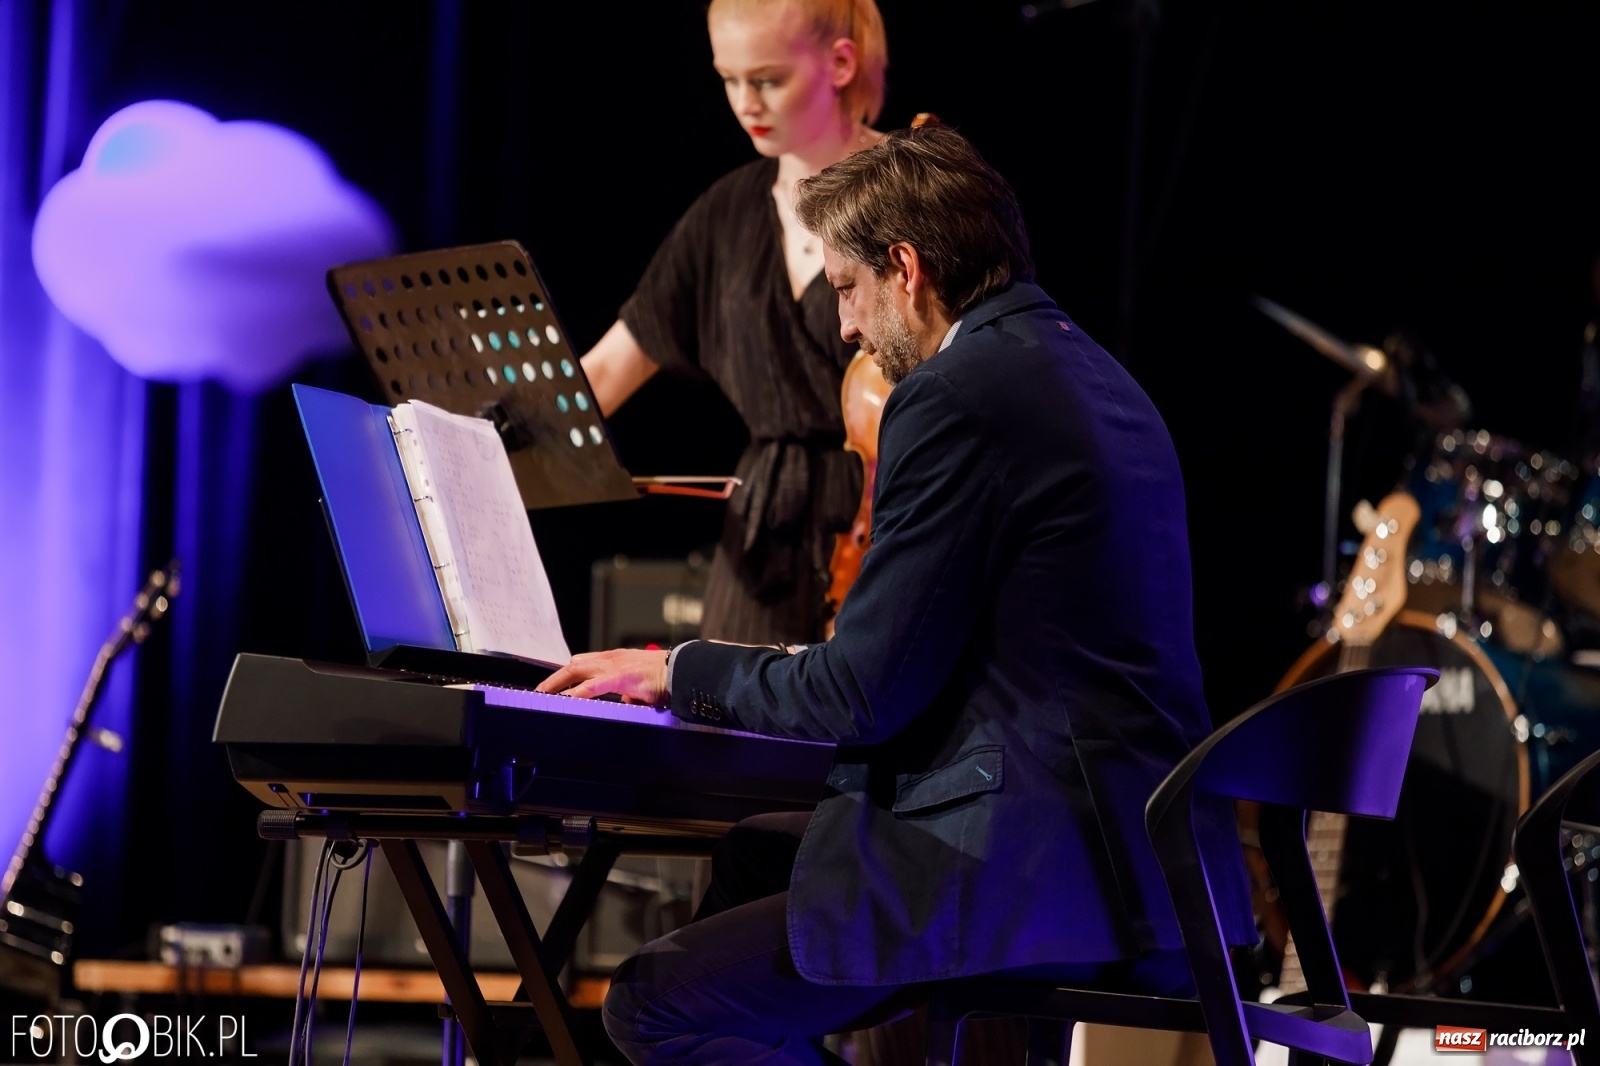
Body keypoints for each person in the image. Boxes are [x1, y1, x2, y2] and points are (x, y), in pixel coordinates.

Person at [539, 125, 1256, 1065]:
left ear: (905, 268)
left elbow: (863, 695)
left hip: (1025, 866)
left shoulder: (955, 393)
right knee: (759, 849)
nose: (843, 327)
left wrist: (674, 672)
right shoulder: (1103, 378)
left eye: (845, 288)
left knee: (652, 1005)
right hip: (1151, 868)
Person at [580, 0, 890, 645]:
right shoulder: (725, 215)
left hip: (886, 524)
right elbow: (610, 366)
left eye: (769, 79)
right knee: (725, 737)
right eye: (729, 79)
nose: (745, 101)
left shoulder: (908, 194)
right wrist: (493, 437)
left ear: (839, 64)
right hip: (757, 549)